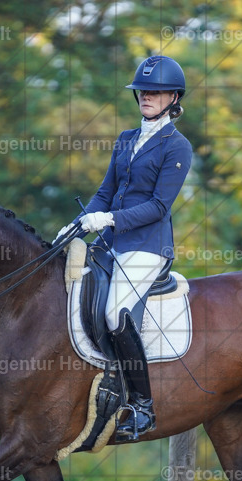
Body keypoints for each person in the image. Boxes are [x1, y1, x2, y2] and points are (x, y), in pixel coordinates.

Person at [59, 55, 193, 440]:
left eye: (155, 91)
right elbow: (105, 192)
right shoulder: (126, 140)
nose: (146, 96)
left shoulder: (177, 147)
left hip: (147, 247)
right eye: (142, 91)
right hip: (109, 242)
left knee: (117, 313)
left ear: (172, 97)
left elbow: (158, 207)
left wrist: (111, 220)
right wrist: (79, 223)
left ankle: (142, 407)